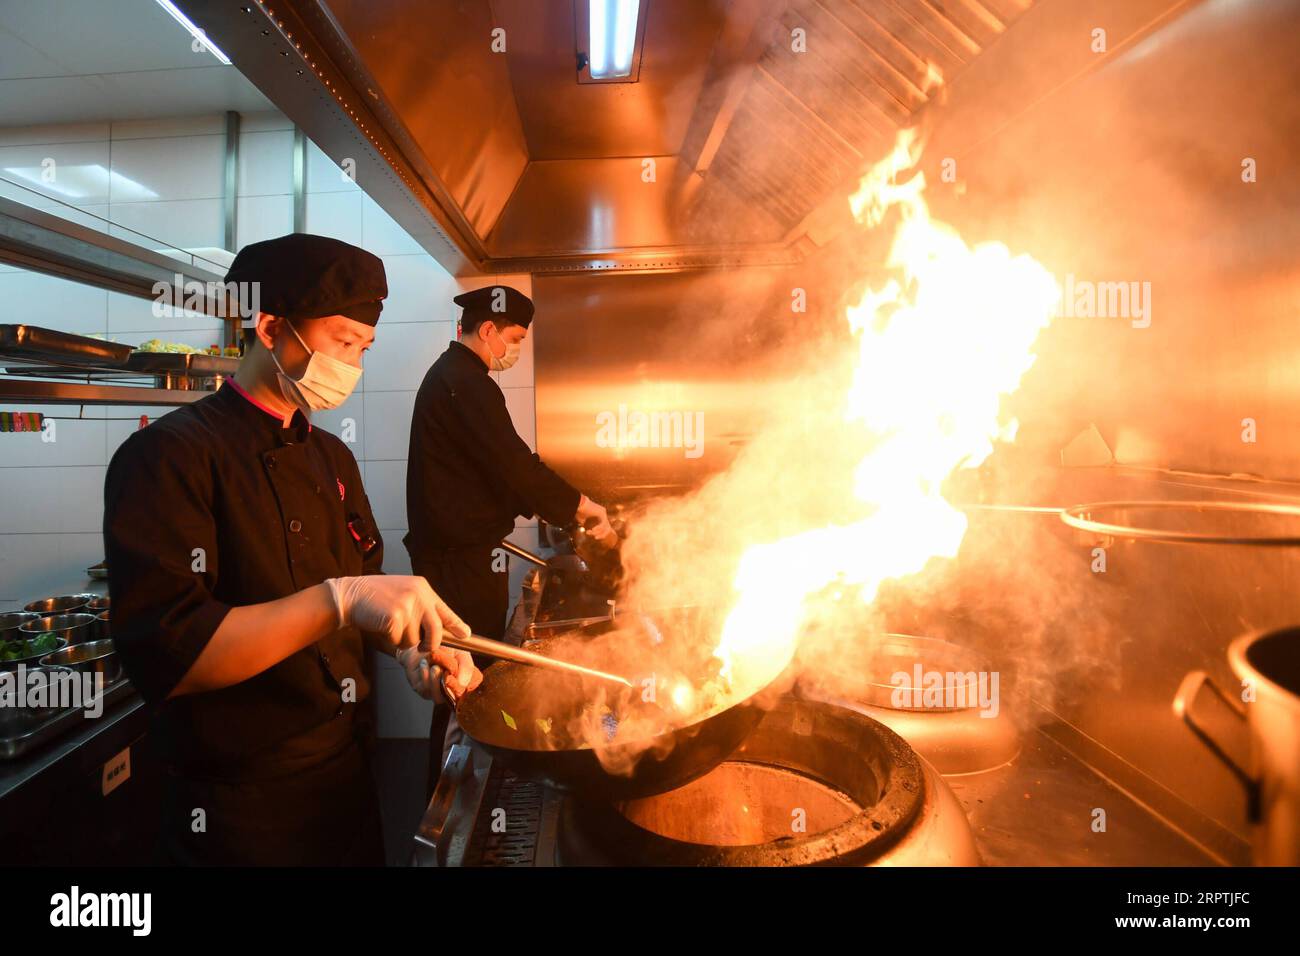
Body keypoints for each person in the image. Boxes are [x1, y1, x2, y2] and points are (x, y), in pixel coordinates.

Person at [104, 233, 481, 866]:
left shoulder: (331, 457)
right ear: (272, 326)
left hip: (347, 783)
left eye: (363, 348)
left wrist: (416, 653)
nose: (353, 365)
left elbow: (368, 595)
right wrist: (339, 600)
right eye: (340, 342)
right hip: (239, 813)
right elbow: (173, 656)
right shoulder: (169, 457)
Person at [404, 285, 615, 793]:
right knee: (462, 679)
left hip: (459, 557)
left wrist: (559, 508)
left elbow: (492, 473)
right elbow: (514, 465)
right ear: (489, 330)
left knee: (463, 674)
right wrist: (582, 508)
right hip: (457, 565)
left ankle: (459, 787)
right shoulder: (464, 381)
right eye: (515, 338)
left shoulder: (454, 377)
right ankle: (449, 800)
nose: (515, 351)